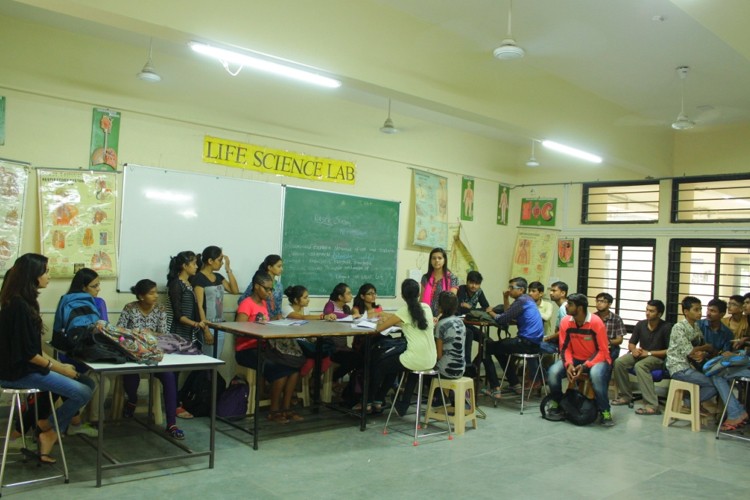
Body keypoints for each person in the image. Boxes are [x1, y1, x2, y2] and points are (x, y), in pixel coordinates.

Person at [0, 253, 95, 464]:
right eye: (46, 271)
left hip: (29, 367)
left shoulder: (26, 302)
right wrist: (61, 370)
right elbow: (29, 355)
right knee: (82, 391)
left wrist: (61, 365)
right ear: (33, 275)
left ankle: (46, 425)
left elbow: (33, 348)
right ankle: (50, 432)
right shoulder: (18, 306)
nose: (48, 276)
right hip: (17, 373)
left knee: (86, 381)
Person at [117, 279, 183, 439]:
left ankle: (171, 423)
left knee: (169, 377)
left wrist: (148, 334)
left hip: (154, 353)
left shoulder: (160, 309)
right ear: (141, 296)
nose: (155, 296)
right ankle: (132, 400)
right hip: (133, 354)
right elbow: (119, 331)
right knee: (131, 377)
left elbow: (163, 333)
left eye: (156, 292)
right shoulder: (130, 308)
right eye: (151, 293)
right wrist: (140, 334)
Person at [236, 271, 302, 423]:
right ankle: (273, 411)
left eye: (271, 289)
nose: (269, 292)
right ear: (256, 287)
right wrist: (258, 327)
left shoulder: (264, 304)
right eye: (266, 289)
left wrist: (275, 320)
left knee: (294, 368)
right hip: (247, 349)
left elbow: (264, 321)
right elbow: (239, 330)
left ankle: (286, 409)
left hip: (264, 347)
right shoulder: (246, 304)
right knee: (281, 370)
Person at [545, 293, 614, 427]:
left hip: (597, 360)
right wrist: (569, 364)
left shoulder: (595, 322)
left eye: (570, 304)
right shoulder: (566, 321)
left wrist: (585, 365)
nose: (566, 306)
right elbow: (564, 348)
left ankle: (605, 410)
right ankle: (557, 401)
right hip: (575, 358)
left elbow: (603, 351)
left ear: (580, 308)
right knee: (553, 372)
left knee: (596, 375)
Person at [53, 267, 107, 436]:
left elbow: (57, 331)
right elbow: (104, 331)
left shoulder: (65, 299)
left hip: (69, 354)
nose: (98, 289)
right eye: (94, 286)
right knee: (99, 380)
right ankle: (78, 421)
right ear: (84, 287)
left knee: (98, 380)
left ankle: (75, 420)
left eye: (99, 285)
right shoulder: (95, 302)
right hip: (85, 356)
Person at [372, 279, 436, 415]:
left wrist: (383, 321)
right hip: (430, 360)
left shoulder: (404, 311)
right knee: (404, 365)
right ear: (419, 294)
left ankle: (372, 400)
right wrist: (397, 322)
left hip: (415, 359)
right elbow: (412, 324)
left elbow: (379, 329)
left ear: (402, 295)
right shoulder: (426, 307)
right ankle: (403, 405)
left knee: (380, 364)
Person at [481, 277, 543, 399]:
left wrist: (490, 312)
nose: (508, 290)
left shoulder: (521, 301)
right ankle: (515, 383)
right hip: (535, 344)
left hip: (525, 343)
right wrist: (505, 298)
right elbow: (509, 313)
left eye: (511, 288)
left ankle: (495, 388)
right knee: (499, 348)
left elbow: (503, 319)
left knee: (486, 347)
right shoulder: (527, 300)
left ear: (521, 290)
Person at [611, 299, 672, 414]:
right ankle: (626, 396)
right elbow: (631, 343)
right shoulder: (641, 324)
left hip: (657, 357)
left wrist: (649, 353)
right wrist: (633, 350)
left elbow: (669, 350)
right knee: (619, 362)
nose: (648, 313)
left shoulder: (666, 327)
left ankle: (652, 405)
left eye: (652, 311)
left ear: (659, 314)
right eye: (647, 310)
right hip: (640, 354)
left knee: (640, 366)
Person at [665, 296, 718, 414]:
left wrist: (702, 353)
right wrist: (706, 348)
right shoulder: (679, 327)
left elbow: (700, 346)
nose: (700, 313)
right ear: (686, 312)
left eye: (700, 309)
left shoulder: (696, 326)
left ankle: (695, 402)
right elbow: (690, 351)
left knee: (716, 379)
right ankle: (690, 402)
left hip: (691, 365)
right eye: (696, 310)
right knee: (713, 385)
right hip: (679, 367)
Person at [191, 245, 239, 357]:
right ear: (210, 261)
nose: (221, 263)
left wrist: (228, 269)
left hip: (220, 324)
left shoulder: (218, 276)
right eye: (220, 260)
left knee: (216, 358)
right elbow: (199, 306)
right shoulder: (199, 278)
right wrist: (206, 330)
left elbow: (234, 290)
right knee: (208, 360)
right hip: (207, 325)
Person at [324, 283, 361, 380]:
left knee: (361, 357)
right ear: (340, 296)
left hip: (343, 346)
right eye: (348, 293)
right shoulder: (330, 305)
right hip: (331, 348)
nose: (351, 296)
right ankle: (332, 380)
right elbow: (329, 314)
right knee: (355, 359)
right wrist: (351, 316)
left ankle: (350, 386)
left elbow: (350, 321)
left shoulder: (346, 308)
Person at [167, 251, 204, 346]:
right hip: (177, 332)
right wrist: (195, 324)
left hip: (188, 331)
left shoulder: (188, 283)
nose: (196, 266)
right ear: (184, 265)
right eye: (194, 264)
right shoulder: (176, 284)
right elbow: (178, 315)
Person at [239, 255, 284, 320]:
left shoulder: (279, 286)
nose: (281, 269)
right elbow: (242, 301)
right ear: (270, 267)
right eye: (279, 266)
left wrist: (278, 318)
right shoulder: (258, 283)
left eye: (282, 266)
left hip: (270, 320)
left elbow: (278, 307)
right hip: (257, 319)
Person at [420, 247, 459, 316]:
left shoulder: (452, 278)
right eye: (434, 258)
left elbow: (451, 303)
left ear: (444, 260)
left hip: (444, 317)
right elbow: (421, 299)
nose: (436, 260)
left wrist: (439, 317)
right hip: (426, 317)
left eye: (440, 258)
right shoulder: (425, 278)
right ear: (430, 260)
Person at [594, 292, 625, 362]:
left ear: (609, 304)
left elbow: (619, 340)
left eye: (602, 301)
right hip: (594, 347)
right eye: (597, 301)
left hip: (610, 348)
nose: (599, 303)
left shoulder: (616, 319)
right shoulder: (592, 317)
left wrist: (607, 342)